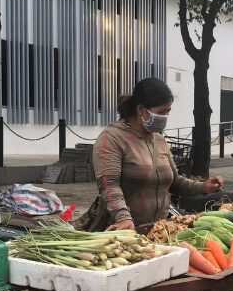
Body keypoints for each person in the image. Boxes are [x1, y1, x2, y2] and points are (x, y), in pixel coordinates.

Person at [74, 78, 223, 231]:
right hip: (122, 229)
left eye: (168, 112)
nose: (165, 117)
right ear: (141, 110)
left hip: (158, 228)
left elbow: (175, 182)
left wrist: (203, 186)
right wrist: (123, 217)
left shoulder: (159, 140)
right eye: (161, 112)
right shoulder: (112, 139)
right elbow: (109, 186)